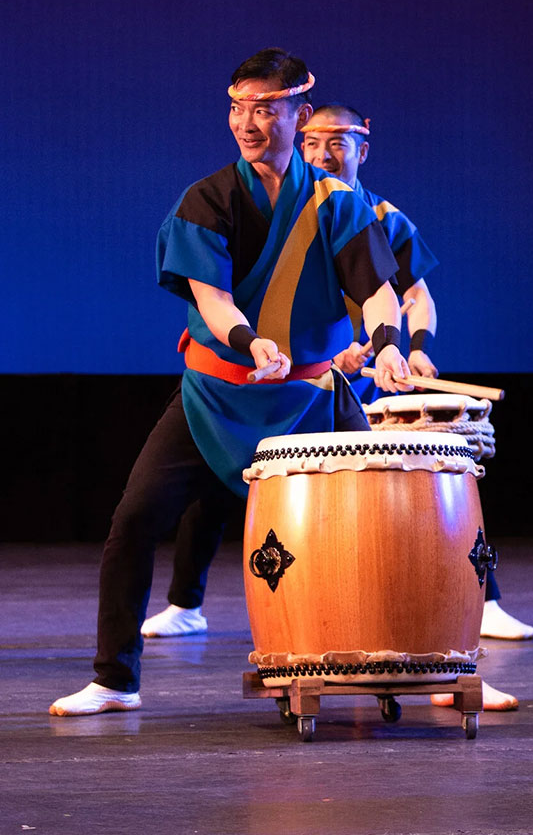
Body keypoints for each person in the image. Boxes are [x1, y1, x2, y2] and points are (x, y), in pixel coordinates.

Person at [50, 48, 410, 715]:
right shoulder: (207, 200)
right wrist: (251, 341)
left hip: (307, 398)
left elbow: (379, 295)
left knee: (379, 528)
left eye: (266, 109)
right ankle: (115, 679)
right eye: (239, 107)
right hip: (216, 395)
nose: (248, 122)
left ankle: (408, 666)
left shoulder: (338, 202)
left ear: (297, 114)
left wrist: (389, 346)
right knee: (134, 520)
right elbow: (212, 302)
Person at [137, 104, 531, 712]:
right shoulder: (220, 199)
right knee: (206, 500)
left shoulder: (367, 212)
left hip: (343, 381)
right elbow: (217, 301)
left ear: (363, 148)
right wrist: (268, 345)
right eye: (316, 141)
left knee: (396, 516)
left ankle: (442, 656)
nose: (325, 152)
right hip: (249, 378)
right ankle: (179, 612)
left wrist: (405, 348)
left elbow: (404, 295)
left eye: (338, 142)